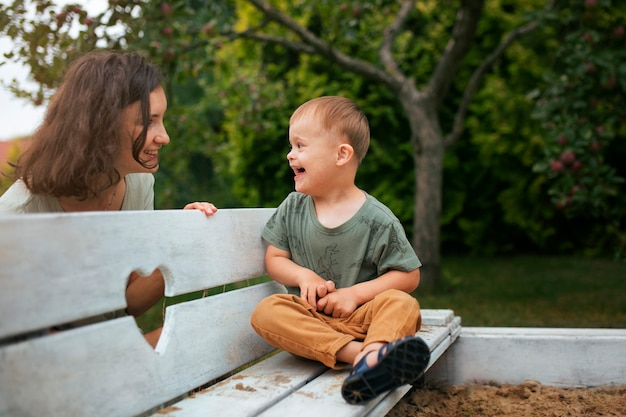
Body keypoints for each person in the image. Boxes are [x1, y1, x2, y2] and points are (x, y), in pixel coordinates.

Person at [0, 50, 217, 348]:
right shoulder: (18, 216)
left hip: (108, 355)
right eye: (148, 121)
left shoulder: (139, 184)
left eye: (161, 119)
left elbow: (125, 301)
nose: (164, 136)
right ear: (101, 124)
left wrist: (178, 244)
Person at [250, 96, 430, 405]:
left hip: (365, 318)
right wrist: (303, 276)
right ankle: (366, 359)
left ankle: (374, 351)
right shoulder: (293, 208)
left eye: (300, 146)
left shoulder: (377, 219)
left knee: (401, 303)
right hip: (312, 321)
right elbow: (275, 258)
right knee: (267, 312)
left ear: (341, 154)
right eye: (291, 146)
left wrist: (354, 295)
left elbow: (408, 275)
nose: (290, 155)